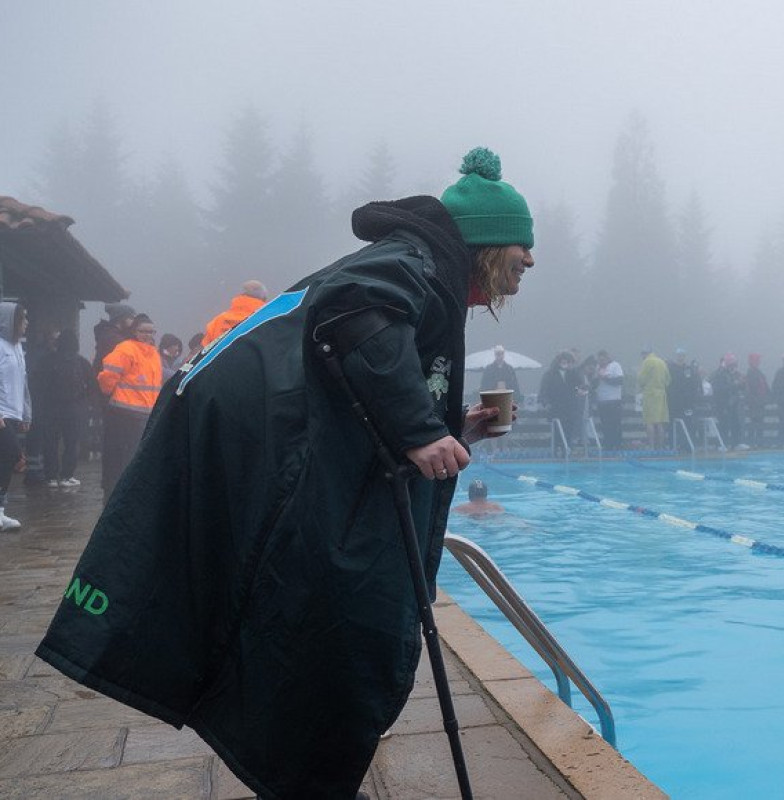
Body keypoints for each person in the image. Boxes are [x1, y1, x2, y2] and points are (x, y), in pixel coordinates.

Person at [37, 147, 535, 798]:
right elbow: (358, 309)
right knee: (345, 640)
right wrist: (418, 429)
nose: (529, 265)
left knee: (320, 639)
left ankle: (305, 779)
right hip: (278, 459)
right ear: (487, 242)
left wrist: (448, 427)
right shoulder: (411, 262)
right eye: (522, 251)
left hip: (286, 457)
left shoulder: (420, 268)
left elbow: (356, 377)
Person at [97, 313, 161, 493]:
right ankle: (119, 489)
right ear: (134, 331)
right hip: (124, 412)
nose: (148, 335)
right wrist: (110, 393)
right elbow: (108, 375)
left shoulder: (153, 353)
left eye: (151, 332)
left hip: (145, 413)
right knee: (125, 455)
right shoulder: (126, 349)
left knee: (136, 455)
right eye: (143, 331)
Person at [35, 330, 95, 490]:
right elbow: (92, 385)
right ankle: (67, 476)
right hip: (73, 409)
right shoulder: (81, 362)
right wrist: (85, 403)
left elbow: (37, 384)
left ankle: (50, 477)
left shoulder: (47, 361)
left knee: (51, 443)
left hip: (51, 408)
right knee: (71, 442)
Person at [0, 303, 30, 530]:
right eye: (22, 319)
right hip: (1, 413)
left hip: (14, 412)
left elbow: (23, 382)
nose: (26, 323)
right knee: (12, 454)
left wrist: (26, 413)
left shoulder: (18, 347)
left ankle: (1, 510)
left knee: (6, 459)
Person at [537, 351, 585, 455]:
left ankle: (567, 448)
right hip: (556, 407)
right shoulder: (549, 374)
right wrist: (546, 403)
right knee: (557, 430)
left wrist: (580, 390)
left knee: (569, 429)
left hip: (570, 407)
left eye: (568, 362)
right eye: (564, 361)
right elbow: (544, 391)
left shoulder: (573, 374)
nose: (566, 364)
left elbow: (579, 386)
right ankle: (557, 449)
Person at [203, 280, 269, 346]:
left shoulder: (217, 322)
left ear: (241, 295)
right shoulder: (266, 322)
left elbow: (205, 349)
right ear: (264, 299)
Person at [638, 346, 671, 449]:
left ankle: (651, 446)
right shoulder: (661, 362)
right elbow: (668, 380)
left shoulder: (647, 362)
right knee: (660, 422)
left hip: (650, 394)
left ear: (644, 354)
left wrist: (644, 386)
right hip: (661, 395)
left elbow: (641, 379)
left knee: (649, 421)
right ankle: (660, 446)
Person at [92, 302, 136, 372]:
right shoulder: (112, 339)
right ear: (121, 318)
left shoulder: (111, 334)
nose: (133, 322)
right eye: (131, 318)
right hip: (108, 377)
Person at [594, 349, 624, 449]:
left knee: (615, 423)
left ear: (607, 358)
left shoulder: (615, 366)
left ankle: (617, 444)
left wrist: (605, 378)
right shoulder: (597, 367)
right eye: (599, 360)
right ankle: (608, 443)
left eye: (603, 360)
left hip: (614, 400)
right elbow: (595, 384)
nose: (601, 362)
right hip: (602, 400)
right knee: (605, 423)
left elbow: (619, 381)